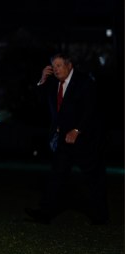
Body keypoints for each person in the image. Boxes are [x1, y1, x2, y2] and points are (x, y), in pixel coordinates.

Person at [26, 53, 108, 225]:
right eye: (53, 66)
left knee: (92, 177)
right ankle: (44, 213)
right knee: (56, 175)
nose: (56, 69)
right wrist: (42, 79)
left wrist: (78, 130)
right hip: (63, 141)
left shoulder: (84, 82)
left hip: (84, 140)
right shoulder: (52, 84)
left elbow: (91, 109)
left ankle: (101, 216)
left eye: (59, 65)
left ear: (69, 65)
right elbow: (38, 101)